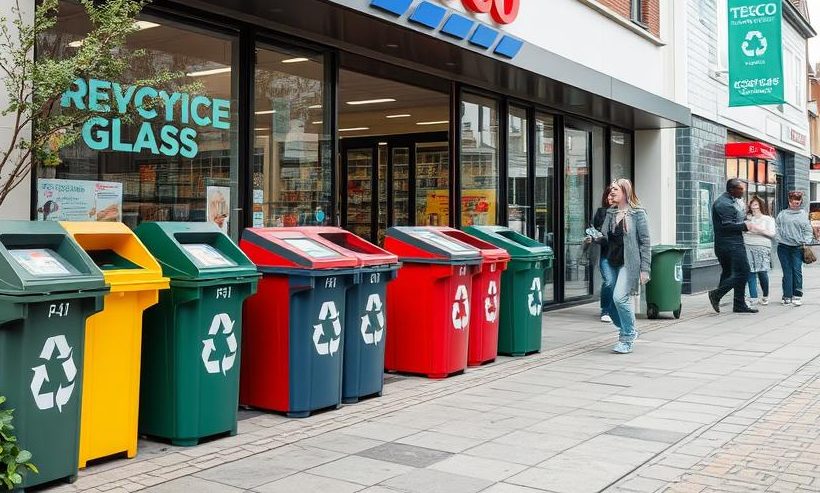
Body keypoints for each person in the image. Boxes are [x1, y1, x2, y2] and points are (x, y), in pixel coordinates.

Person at [597, 179, 651, 354]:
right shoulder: (611, 213)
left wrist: (645, 269)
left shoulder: (638, 214)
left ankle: (627, 337)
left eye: (615, 189)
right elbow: (605, 237)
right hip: (611, 260)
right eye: (611, 189)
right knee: (611, 302)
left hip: (629, 263)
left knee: (620, 298)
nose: (611, 192)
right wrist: (594, 238)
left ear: (625, 192)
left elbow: (645, 243)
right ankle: (630, 328)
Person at [708, 179, 760, 314]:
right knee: (743, 272)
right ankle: (716, 294)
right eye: (740, 189)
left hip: (729, 243)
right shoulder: (724, 204)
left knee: (728, 273)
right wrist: (745, 226)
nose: (743, 191)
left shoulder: (731, 201)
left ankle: (738, 304)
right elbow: (727, 226)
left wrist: (744, 222)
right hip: (731, 244)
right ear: (732, 190)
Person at [776, 191, 814, 306]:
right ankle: (787, 295)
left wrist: (805, 241)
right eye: (793, 203)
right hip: (783, 247)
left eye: (798, 203)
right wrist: (779, 238)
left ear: (800, 202)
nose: (795, 205)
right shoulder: (782, 214)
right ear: (789, 201)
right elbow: (776, 227)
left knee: (797, 271)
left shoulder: (803, 214)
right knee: (787, 271)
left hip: (797, 247)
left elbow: (808, 230)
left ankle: (797, 295)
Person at [744, 196, 776, 306]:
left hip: (762, 246)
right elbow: (744, 231)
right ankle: (753, 297)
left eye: (756, 205)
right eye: (752, 205)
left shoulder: (768, 219)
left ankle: (765, 295)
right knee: (750, 271)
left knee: (762, 271)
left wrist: (757, 229)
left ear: (761, 206)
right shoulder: (747, 219)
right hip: (747, 245)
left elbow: (772, 233)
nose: (754, 208)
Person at [592, 186, 615, 323]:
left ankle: (615, 309)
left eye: (614, 195)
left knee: (617, 284)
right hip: (606, 254)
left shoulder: (627, 213)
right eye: (609, 195)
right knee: (609, 281)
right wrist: (594, 237)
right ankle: (605, 310)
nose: (611, 198)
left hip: (621, 256)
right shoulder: (602, 213)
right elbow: (595, 231)